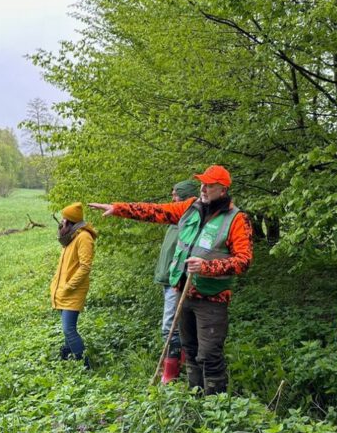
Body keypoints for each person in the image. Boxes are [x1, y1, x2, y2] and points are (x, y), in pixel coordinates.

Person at [90, 165, 253, 395]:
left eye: (210, 185)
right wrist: (118, 208)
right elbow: (155, 211)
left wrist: (206, 267)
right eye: (202, 184)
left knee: (209, 354)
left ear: (223, 189)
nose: (203, 188)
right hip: (183, 293)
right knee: (191, 348)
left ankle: (216, 407)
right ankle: (196, 399)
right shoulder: (190, 207)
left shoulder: (237, 219)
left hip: (212, 299)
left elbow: (243, 261)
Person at [156, 179, 201, 384]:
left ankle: (171, 372)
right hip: (168, 279)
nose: (172, 198)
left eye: (176, 195)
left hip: (179, 280)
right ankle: (178, 363)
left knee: (170, 326)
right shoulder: (175, 220)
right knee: (175, 325)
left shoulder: (189, 222)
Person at [50, 202, 97, 368]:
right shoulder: (71, 236)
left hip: (73, 290)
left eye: (64, 218)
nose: (61, 221)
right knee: (67, 328)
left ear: (70, 220)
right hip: (64, 289)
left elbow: (85, 266)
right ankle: (67, 355)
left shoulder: (83, 237)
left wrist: (70, 285)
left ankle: (84, 365)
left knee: (69, 328)